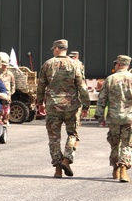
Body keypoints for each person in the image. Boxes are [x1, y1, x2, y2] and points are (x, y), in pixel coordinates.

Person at [35, 39, 90, 178]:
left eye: (54, 48)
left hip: (53, 106)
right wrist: (86, 105)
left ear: (57, 49)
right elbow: (82, 87)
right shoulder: (75, 64)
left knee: (54, 138)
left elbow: (41, 85)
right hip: (71, 106)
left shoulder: (48, 64)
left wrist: (40, 102)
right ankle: (67, 158)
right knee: (73, 134)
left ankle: (58, 169)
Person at [95, 55, 132, 182]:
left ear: (118, 64)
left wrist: (100, 116)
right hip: (131, 118)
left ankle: (115, 168)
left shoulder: (110, 79)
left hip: (114, 118)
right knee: (127, 144)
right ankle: (123, 169)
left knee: (115, 143)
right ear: (128, 65)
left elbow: (102, 99)